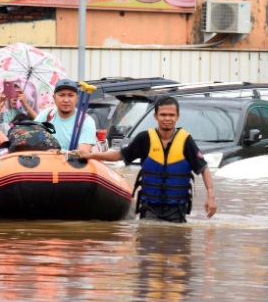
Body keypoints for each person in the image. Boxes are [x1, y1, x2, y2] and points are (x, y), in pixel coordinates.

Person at [77, 96, 216, 223]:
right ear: (155, 116)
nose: (167, 118)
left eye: (171, 115)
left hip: (176, 209)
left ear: (177, 116)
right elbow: (120, 155)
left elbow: (203, 168)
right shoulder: (144, 138)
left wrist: (211, 197)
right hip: (149, 207)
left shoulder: (186, 140)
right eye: (163, 115)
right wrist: (91, 155)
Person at [34, 79, 97, 151]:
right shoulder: (47, 115)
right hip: (47, 160)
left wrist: (59, 154)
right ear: (54, 98)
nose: (66, 100)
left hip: (72, 162)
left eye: (71, 95)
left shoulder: (85, 121)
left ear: (77, 99)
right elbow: (32, 137)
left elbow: (82, 153)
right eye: (61, 95)